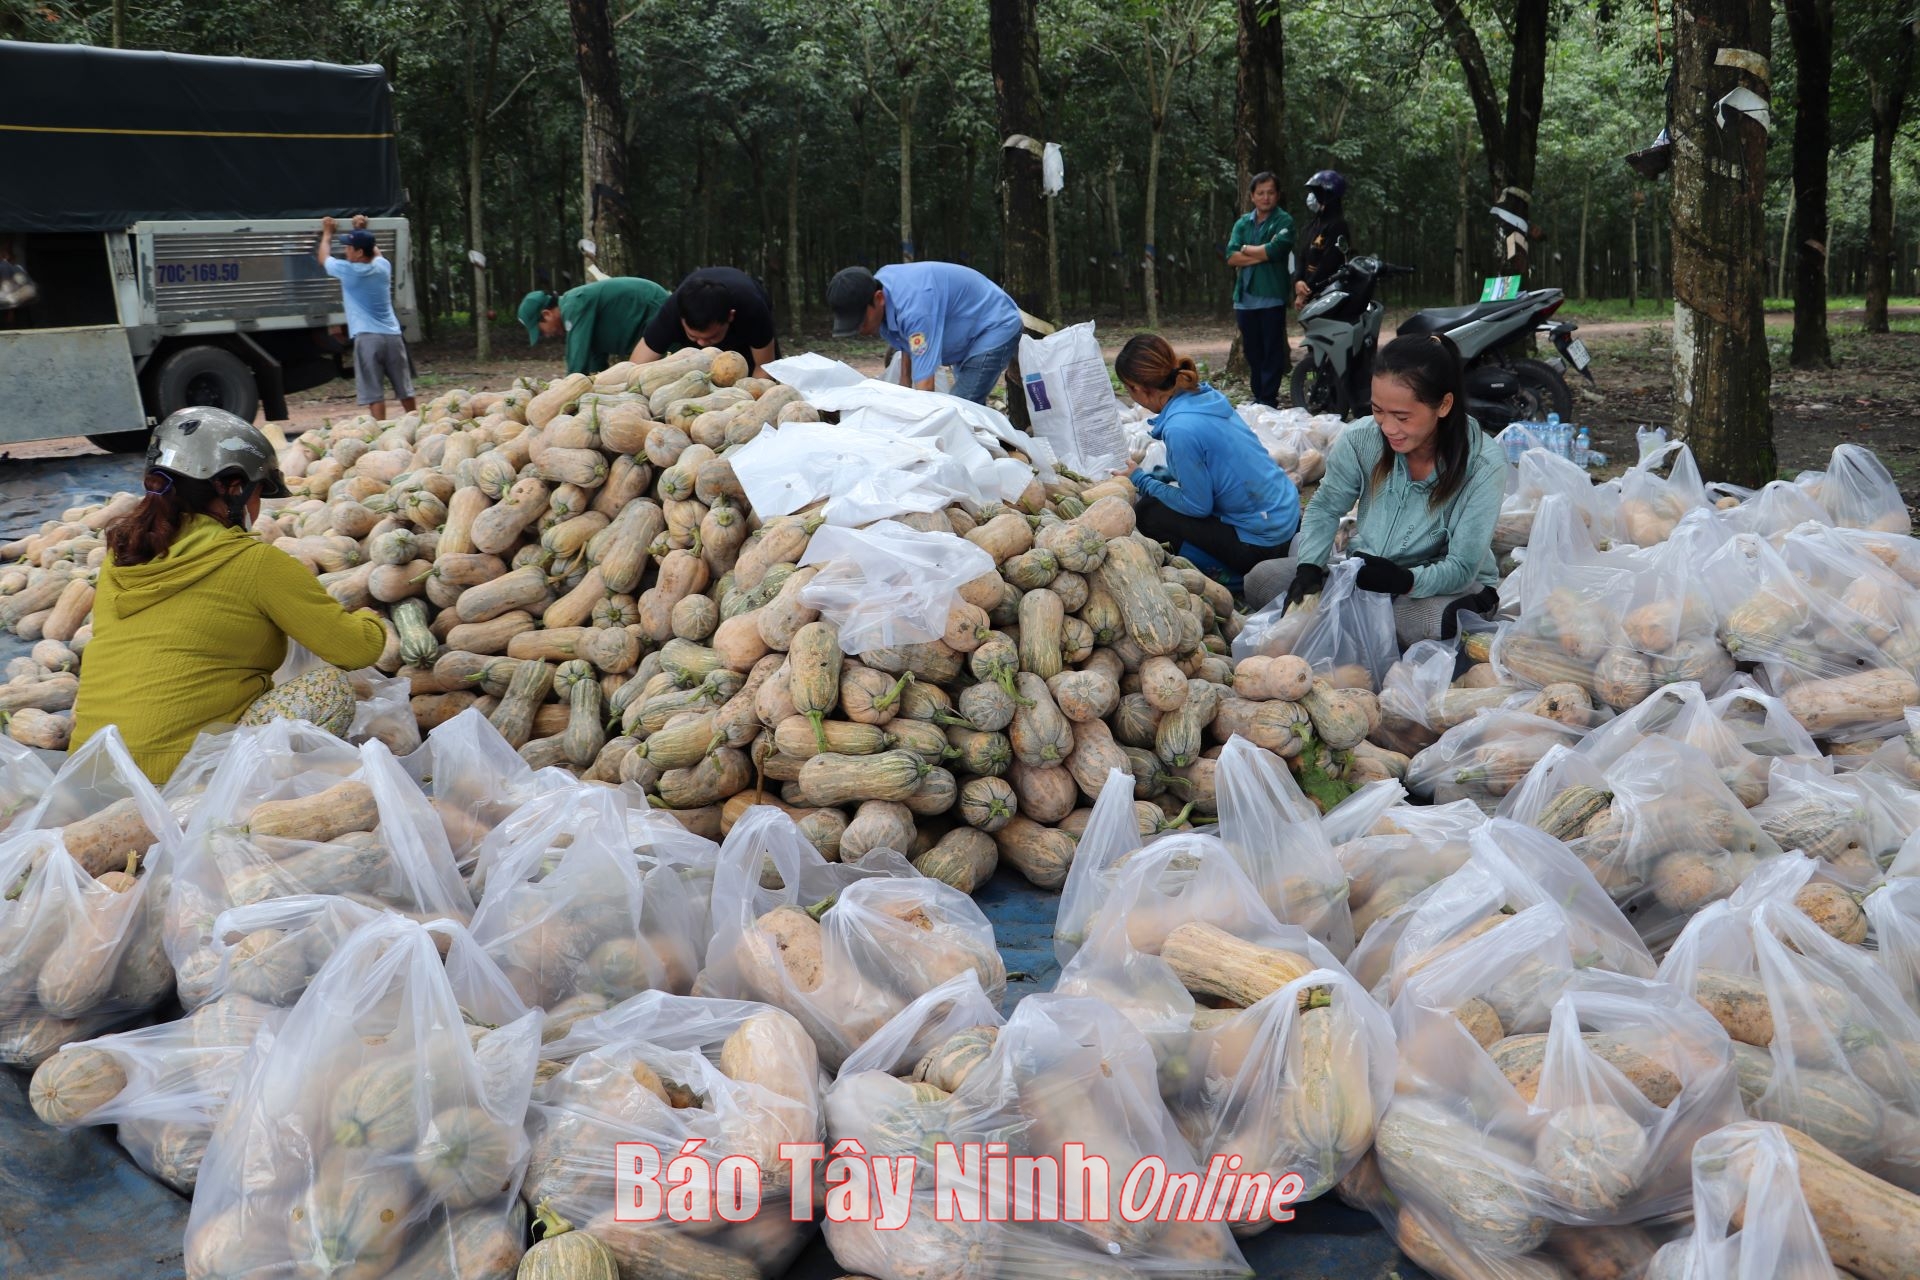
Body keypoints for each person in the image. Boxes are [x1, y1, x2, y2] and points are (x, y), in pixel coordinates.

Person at [68, 408, 387, 783]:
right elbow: (358, 650)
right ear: (233, 487)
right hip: (177, 780)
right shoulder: (255, 563)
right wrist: (372, 618)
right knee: (326, 688)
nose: (259, 506)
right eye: (258, 492)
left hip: (88, 774)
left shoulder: (120, 556)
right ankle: (232, 798)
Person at [1268, 333, 1506, 648]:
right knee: (1263, 581)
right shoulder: (1360, 440)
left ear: (1444, 405)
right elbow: (1325, 507)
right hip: (1368, 572)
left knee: (1428, 624)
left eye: (1402, 417)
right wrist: (1310, 566)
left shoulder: (1483, 463)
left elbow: (1462, 566)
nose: (1388, 427)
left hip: (1442, 585)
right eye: (1379, 410)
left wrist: (1405, 580)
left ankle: (1369, 626)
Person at [1115, 334, 1300, 583]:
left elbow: (1198, 507)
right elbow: (1216, 462)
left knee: (1149, 512)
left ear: (1138, 388)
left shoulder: (1179, 428)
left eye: (1128, 389)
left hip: (1263, 544)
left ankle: (1227, 577)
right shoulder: (1203, 396)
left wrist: (1143, 480)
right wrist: (1168, 475)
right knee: (1165, 491)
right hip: (1287, 518)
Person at [825, 262, 1024, 406]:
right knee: (969, 406)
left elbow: (925, 388)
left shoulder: (915, 309)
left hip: (994, 325)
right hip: (966, 333)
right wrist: (904, 384)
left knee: (961, 407)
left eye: (861, 321)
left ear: (878, 298)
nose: (859, 329)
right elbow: (907, 343)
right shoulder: (884, 288)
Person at [316, 215, 415, 421]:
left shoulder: (348, 271)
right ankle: (417, 422)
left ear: (359, 252)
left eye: (349, 247)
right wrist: (361, 230)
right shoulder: (383, 267)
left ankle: (379, 431)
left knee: (373, 391)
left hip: (368, 338)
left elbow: (323, 258)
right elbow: (375, 251)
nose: (346, 250)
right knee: (404, 388)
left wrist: (327, 234)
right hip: (393, 337)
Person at [1224, 171, 1294, 408]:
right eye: (1260, 193)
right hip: (1244, 299)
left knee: (1271, 351)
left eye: (1270, 193)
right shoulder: (1243, 222)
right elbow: (1231, 257)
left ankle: (1268, 398)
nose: (1266, 198)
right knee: (1253, 352)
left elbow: (1277, 250)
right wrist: (1262, 254)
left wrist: (1247, 249)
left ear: (1277, 195)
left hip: (1272, 296)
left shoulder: (1284, 221)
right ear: (1252, 196)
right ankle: (1258, 396)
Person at [633, 266, 779, 375]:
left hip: (745, 342)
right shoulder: (673, 311)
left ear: (730, 316)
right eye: (693, 337)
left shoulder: (752, 308)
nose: (702, 344)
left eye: (712, 337)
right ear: (681, 319)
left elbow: (764, 367)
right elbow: (635, 367)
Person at [517, 275, 670, 377]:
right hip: (646, 317)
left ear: (547, 315)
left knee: (675, 369)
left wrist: (564, 393)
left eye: (541, 331)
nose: (546, 335)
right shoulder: (578, 314)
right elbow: (594, 360)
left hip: (652, 307)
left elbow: (577, 364)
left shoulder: (574, 306)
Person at [1291, 170, 1351, 312]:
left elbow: (1328, 264)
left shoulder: (1338, 226)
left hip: (1329, 295)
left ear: (1328, 195)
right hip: (1309, 294)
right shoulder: (1312, 225)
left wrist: (1307, 291)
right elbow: (1302, 256)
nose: (1311, 196)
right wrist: (1298, 282)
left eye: (1316, 192)